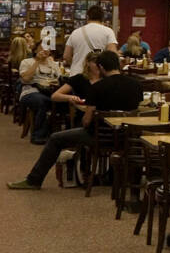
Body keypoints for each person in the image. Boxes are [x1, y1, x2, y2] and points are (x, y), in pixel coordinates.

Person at [9, 51, 143, 190]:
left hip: (99, 136)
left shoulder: (97, 88)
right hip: (126, 136)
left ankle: (34, 180)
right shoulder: (136, 84)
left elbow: (86, 121)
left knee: (55, 138)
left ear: (101, 67)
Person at [18, 44, 61, 144]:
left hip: (50, 91)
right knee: (43, 101)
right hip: (31, 91)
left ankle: (57, 134)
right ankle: (37, 135)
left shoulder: (53, 64)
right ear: (35, 50)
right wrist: (37, 61)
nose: (45, 50)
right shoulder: (27, 62)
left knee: (64, 101)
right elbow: (26, 79)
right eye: (42, 48)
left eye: (47, 48)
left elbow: (59, 79)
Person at [64, 5, 117, 75]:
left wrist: (75, 64)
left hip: (76, 74)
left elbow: (66, 56)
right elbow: (112, 55)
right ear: (102, 18)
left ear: (87, 17)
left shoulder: (75, 32)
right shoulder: (108, 31)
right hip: (97, 75)